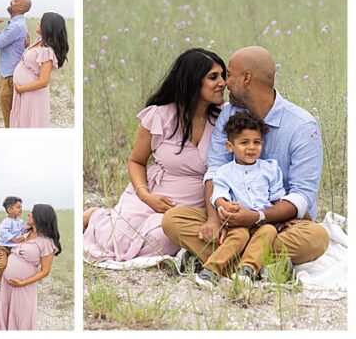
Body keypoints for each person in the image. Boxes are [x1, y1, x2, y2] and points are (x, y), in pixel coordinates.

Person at [162, 46, 329, 275]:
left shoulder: (302, 126)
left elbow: (302, 194)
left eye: (229, 74)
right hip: (230, 220)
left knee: (317, 238)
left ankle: (222, 261)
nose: (225, 83)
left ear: (246, 78)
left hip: (277, 224)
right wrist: (212, 219)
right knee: (173, 219)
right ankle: (257, 266)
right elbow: (215, 170)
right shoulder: (229, 114)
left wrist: (258, 217)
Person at [83, 48, 226, 262]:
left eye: (223, 75)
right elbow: (136, 161)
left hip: (191, 206)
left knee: (158, 243)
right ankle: (96, 216)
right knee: (114, 241)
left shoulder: (225, 118)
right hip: (151, 194)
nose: (223, 82)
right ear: (192, 81)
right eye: (213, 77)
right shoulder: (160, 116)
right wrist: (146, 195)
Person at [194, 111, 282, 287]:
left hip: (263, 221)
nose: (251, 147)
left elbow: (278, 196)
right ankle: (211, 270)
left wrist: (283, 218)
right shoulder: (225, 171)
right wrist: (224, 204)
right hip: (238, 221)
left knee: (269, 233)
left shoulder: (269, 169)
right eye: (244, 143)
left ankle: (246, 270)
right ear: (230, 146)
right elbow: (218, 193)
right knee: (239, 236)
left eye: (257, 142)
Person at [0, 203, 62, 330]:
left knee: (22, 314)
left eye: (32, 212)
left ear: (40, 218)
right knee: (4, 310)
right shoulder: (23, 231)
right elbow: (6, 243)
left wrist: (22, 282)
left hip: (23, 284)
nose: (28, 214)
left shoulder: (46, 242)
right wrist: (0, 254)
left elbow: (45, 271)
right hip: (6, 283)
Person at [8, 12, 69, 128]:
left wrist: (21, 89)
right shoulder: (40, 40)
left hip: (31, 93)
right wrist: (28, 48)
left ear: (48, 27)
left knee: (28, 122)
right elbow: (34, 61)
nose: (38, 22)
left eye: (41, 21)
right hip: (25, 91)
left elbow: (43, 81)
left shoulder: (47, 51)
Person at [0, 0, 32, 127]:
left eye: (15, 1)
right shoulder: (15, 24)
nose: (11, 1)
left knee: (10, 119)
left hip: (10, 78)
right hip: (8, 75)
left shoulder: (16, 26)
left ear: (21, 8)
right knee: (11, 117)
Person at [0, 197, 28, 293]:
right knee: (2, 264)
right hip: (2, 247)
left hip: (12, 248)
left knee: (12, 266)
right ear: (10, 210)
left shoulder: (20, 222)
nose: (21, 209)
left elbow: (25, 229)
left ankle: (8, 283)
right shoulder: (6, 222)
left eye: (21, 207)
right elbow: (2, 232)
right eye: (18, 207)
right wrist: (14, 239)